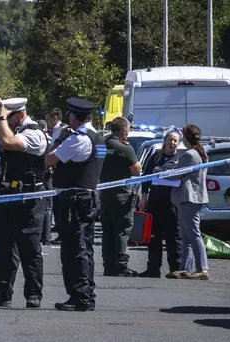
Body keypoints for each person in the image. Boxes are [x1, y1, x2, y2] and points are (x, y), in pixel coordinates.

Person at [0, 97, 47, 309]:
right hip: (8, 195)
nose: (3, 123)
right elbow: (4, 152)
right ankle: (1, 293)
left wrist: (1, 118)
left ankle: (33, 293)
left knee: (29, 247)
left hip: (29, 198)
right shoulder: (13, 131)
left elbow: (9, 142)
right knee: (5, 248)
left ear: (20, 114)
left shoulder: (34, 133)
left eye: (7, 118)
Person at [45, 98, 106, 311]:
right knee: (85, 249)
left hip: (74, 200)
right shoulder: (98, 138)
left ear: (73, 117)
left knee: (74, 249)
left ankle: (80, 296)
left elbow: (49, 160)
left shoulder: (77, 139)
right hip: (88, 198)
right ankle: (86, 292)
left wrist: (58, 140)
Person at [100, 117, 142, 277]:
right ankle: (121, 265)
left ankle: (108, 265)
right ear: (124, 131)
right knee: (122, 231)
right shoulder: (125, 149)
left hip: (105, 194)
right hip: (122, 195)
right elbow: (136, 171)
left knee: (107, 231)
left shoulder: (102, 145)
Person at [166, 124, 210, 280]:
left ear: (185, 138)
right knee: (186, 235)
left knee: (193, 234)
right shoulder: (200, 153)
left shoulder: (190, 155)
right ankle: (185, 267)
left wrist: (161, 174)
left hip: (188, 198)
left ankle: (202, 268)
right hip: (190, 198)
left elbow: (176, 176)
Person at [137, 130, 183, 278]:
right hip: (155, 202)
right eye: (170, 140)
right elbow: (146, 177)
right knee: (154, 236)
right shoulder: (155, 156)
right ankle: (153, 269)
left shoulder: (180, 158)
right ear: (165, 140)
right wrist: (143, 196)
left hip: (171, 203)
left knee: (173, 237)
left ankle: (175, 268)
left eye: (175, 140)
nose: (172, 143)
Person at [46, 108, 67, 245]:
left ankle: (62, 232)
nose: (47, 121)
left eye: (49, 118)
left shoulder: (63, 130)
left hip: (61, 170)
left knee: (60, 205)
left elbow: (59, 150)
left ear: (55, 117)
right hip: (55, 170)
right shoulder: (56, 131)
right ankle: (60, 228)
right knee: (57, 204)